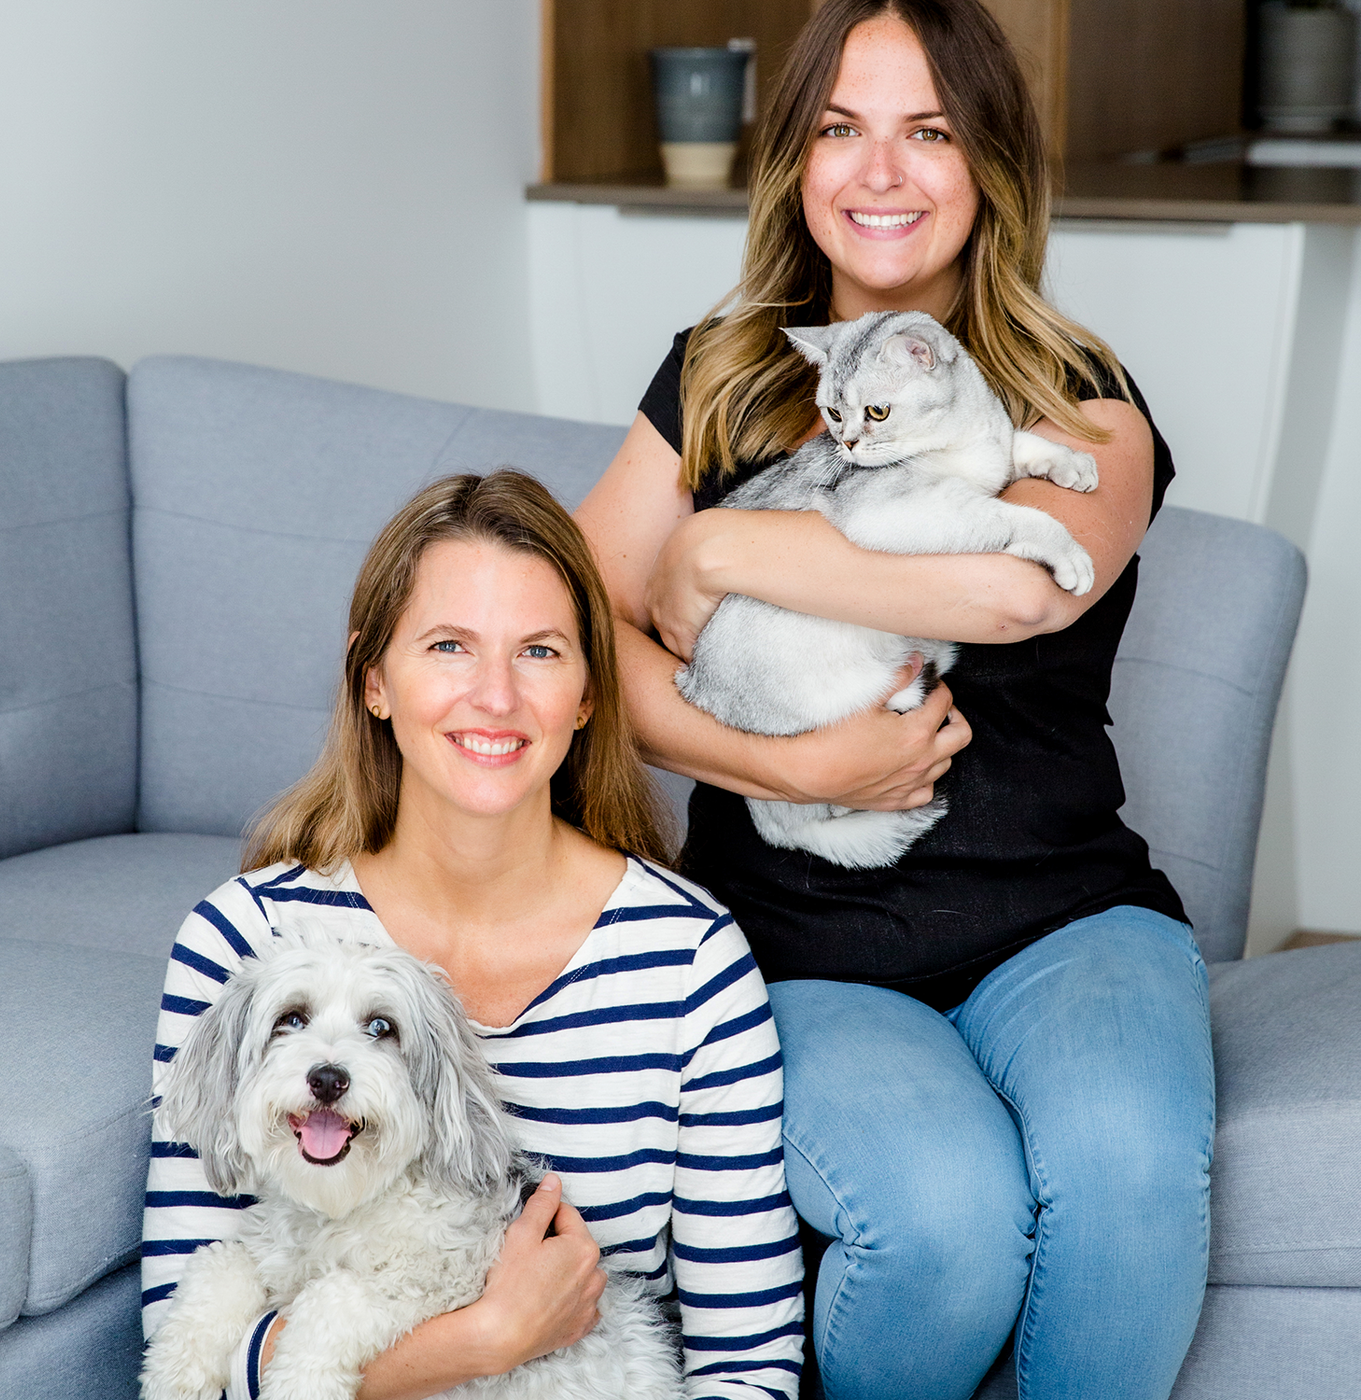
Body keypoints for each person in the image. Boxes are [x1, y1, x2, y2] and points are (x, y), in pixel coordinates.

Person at [574, 3, 1214, 1398]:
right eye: (839, 129)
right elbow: (569, 638)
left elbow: (1019, 592)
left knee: (1129, 1178)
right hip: (796, 941)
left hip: (1069, 921)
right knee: (941, 1227)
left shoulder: (1083, 396)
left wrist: (717, 545)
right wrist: (781, 766)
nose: (880, 173)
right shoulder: (721, 378)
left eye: (928, 131)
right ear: (793, 164)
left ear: (989, 162)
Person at [141, 471, 803, 1400]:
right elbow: (180, 1344)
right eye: (449, 645)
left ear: (585, 695)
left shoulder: (691, 960)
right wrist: (483, 1341)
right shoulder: (243, 938)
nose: (495, 696)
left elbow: (750, 1365)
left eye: (538, 651)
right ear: (374, 679)